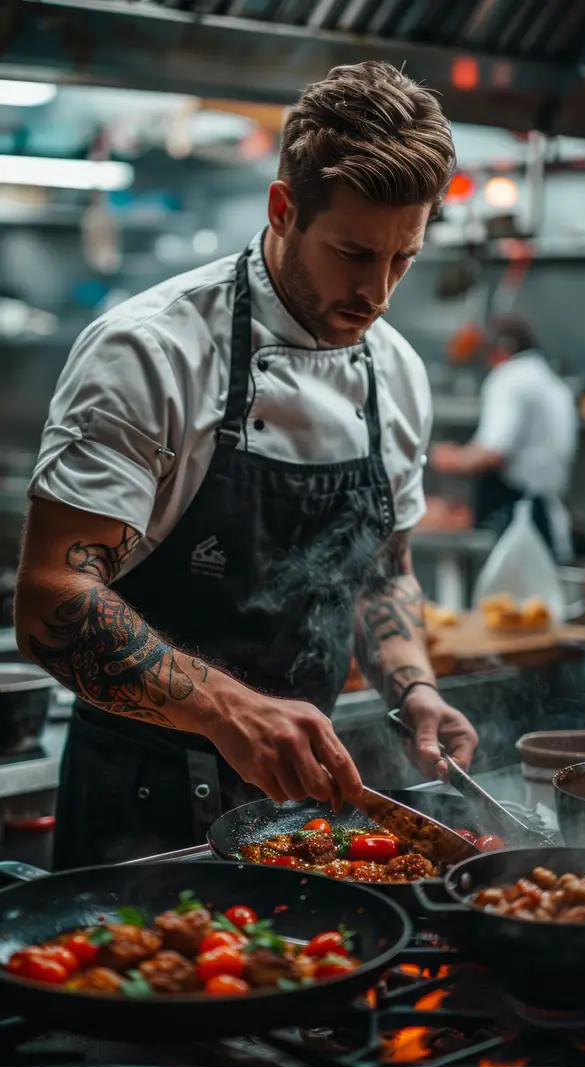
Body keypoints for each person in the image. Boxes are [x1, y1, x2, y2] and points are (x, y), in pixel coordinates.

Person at [15, 61, 478, 870]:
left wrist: (415, 688)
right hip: (143, 812)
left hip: (308, 815)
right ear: (282, 209)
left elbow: (378, 574)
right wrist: (231, 710)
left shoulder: (395, 372)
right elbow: (51, 597)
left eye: (402, 258)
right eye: (352, 253)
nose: (376, 292)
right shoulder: (151, 353)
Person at [432, 315, 578, 562]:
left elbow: (494, 451)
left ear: (503, 349)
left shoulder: (509, 379)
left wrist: (449, 458)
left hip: (518, 520)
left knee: (509, 599)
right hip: (546, 513)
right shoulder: (552, 381)